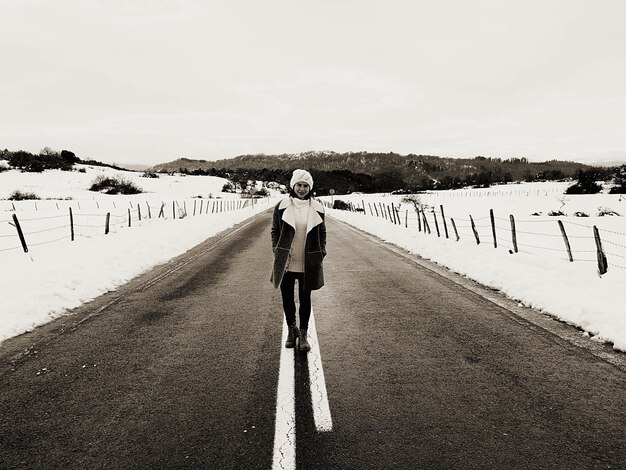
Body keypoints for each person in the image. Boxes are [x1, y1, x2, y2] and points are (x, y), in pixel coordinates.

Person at [271, 169, 327, 352]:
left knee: (305, 298)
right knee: (287, 298)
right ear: (293, 186)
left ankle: (303, 334)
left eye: (305, 186)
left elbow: (323, 233)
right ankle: (291, 329)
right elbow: (275, 231)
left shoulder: (317, 208)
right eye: (299, 185)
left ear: (309, 188)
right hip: (287, 261)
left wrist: (321, 252)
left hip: (308, 261)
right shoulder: (281, 206)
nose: (302, 189)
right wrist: (276, 251)